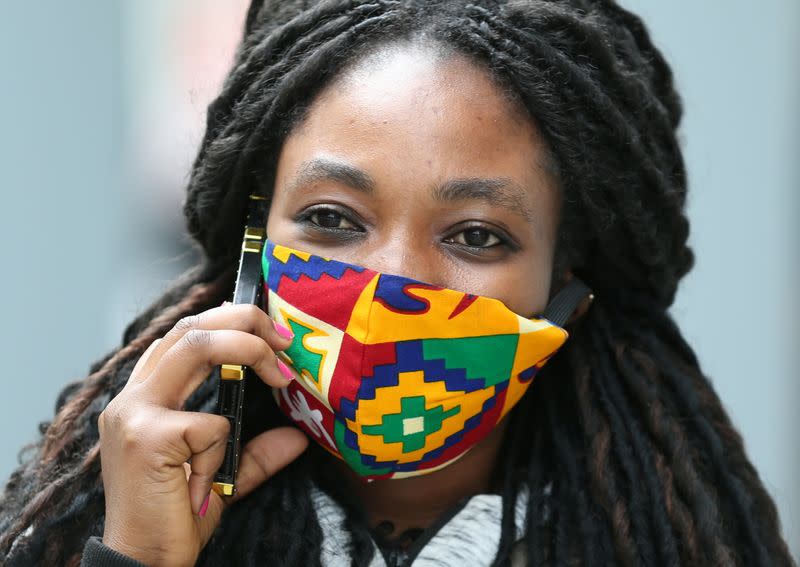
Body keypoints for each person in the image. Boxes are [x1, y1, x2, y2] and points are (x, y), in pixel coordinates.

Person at [0, 1, 795, 566]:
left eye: (476, 235)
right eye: (335, 220)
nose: (395, 285)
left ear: (567, 288)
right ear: (251, 248)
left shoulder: (670, 537)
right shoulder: (119, 532)